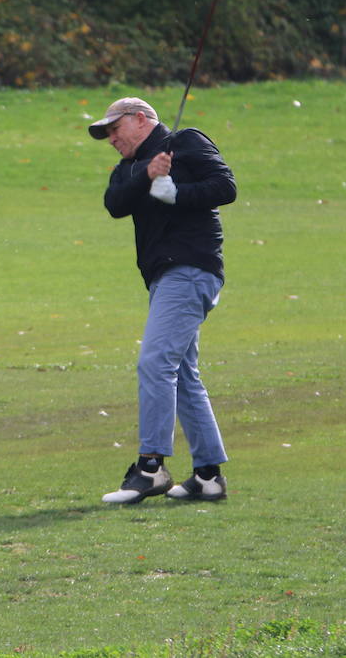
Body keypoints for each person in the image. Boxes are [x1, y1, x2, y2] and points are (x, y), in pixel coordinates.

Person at [88, 96, 237, 504]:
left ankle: (151, 467)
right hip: (163, 277)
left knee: (155, 363)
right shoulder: (129, 168)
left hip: (190, 267)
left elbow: (226, 187)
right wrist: (148, 175)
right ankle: (208, 477)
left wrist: (176, 193)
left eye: (115, 129)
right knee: (182, 374)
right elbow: (114, 203)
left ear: (141, 119)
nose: (111, 139)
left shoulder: (185, 142)